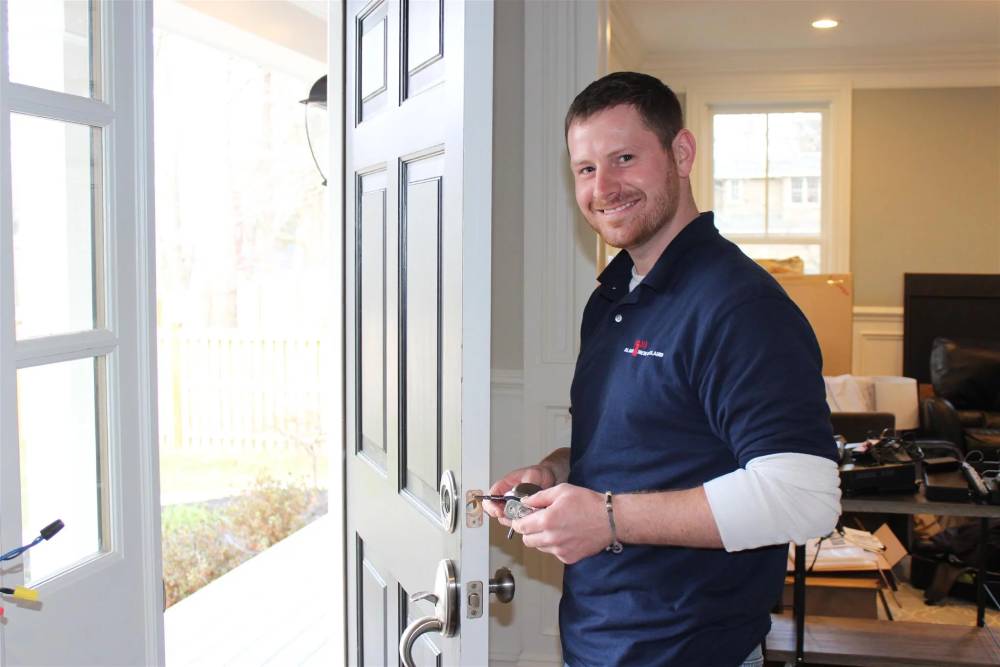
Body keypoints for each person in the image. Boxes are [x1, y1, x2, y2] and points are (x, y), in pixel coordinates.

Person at [484, 72, 841, 667]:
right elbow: (648, 448)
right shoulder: (612, 298)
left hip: (691, 649)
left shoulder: (741, 306)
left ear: (681, 153)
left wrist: (606, 518)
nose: (603, 187)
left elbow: (804, 497)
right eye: (585, 168)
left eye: (624, 158)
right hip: (597, 642)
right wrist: (556, 472)